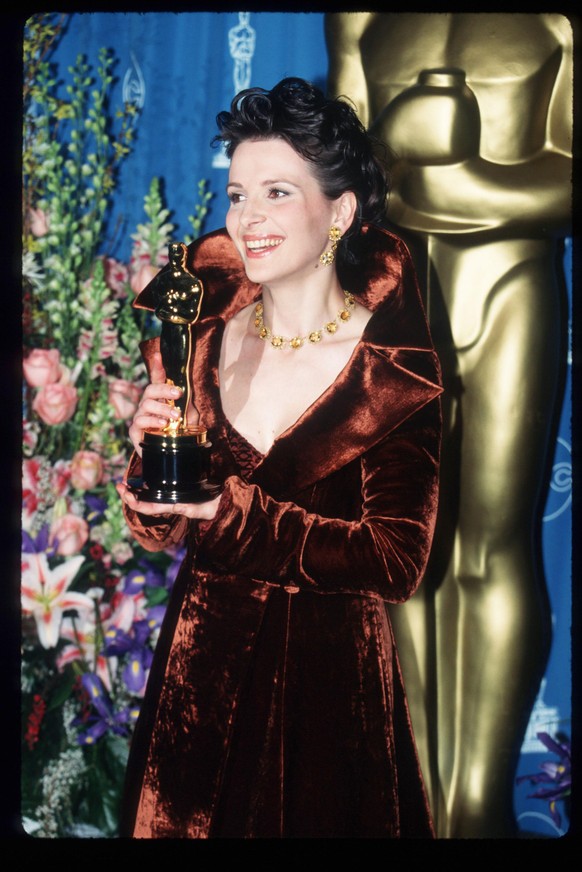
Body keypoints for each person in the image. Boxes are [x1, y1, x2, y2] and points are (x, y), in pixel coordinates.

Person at [116, 77, 443, 839]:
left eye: (275, 192)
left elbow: (398, 560)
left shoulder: (389, 369)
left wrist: (232, 515)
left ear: (341, 211)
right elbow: (159, 531)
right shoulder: (199, 335)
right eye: (236, 194)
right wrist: (145, 463)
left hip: (329, 699)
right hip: (196, 680)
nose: (247, 219)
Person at [325, 12, 573, 837]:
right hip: (394, 299)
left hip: (508, 283)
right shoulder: (359, 15)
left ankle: (477, 808)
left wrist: (450, 179)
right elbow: (339, 169)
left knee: (491, 549)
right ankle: (417, 795)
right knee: (403, 546)